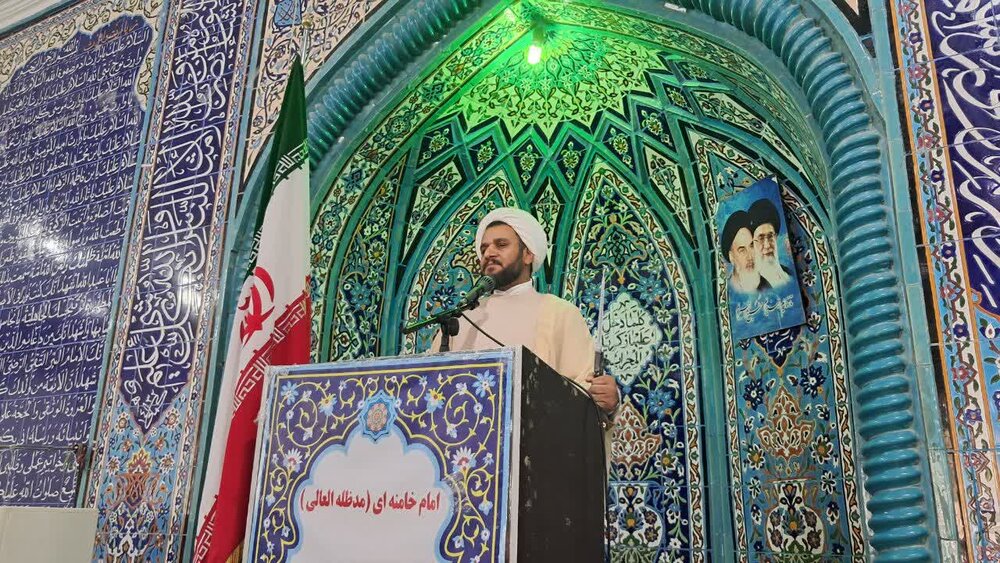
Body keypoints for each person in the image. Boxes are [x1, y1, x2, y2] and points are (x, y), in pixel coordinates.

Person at [431, 207, 619, 415]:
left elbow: (585, 391)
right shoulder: (461, 317)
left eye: (501, 245)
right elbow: (431, 388)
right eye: (484, 248)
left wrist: (606, 401)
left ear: (528, 254)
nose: (489, 253)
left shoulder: (560, 313)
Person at [748, 198, 793, 288]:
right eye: (761, 238)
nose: (767, 245)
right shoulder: (753, 287)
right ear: (752, 244)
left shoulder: (790, 274)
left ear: (775, 237)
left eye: (770, 236)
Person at [721, 210, 768, 294]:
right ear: (731, 257)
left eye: (751, 246)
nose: (750, 256)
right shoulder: (726, 292)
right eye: (742, 250)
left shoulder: (768, 287)